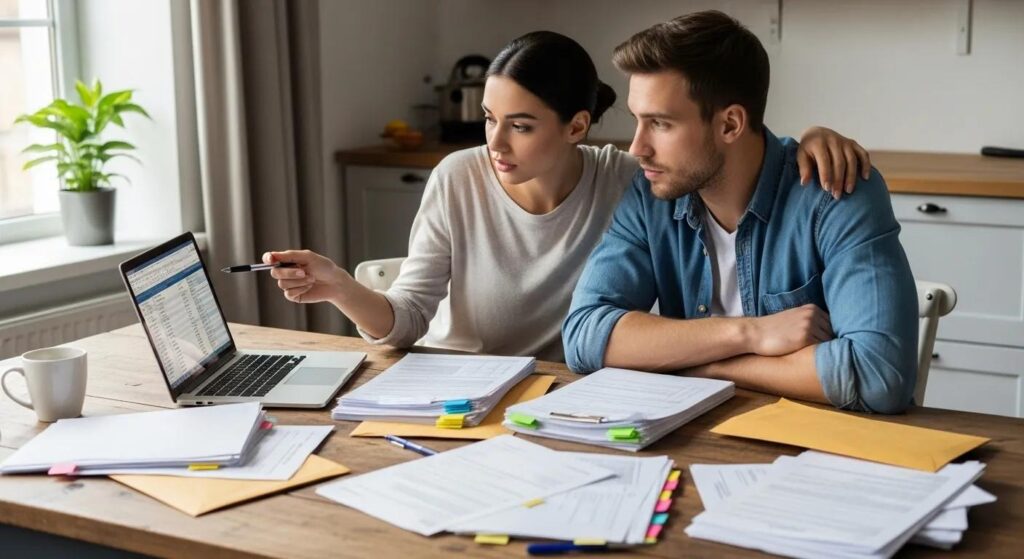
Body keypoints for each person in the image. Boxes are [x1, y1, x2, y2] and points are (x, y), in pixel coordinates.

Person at [265, 30, 870, 363]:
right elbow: (407, 322)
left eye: (521, 125)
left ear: (576, 127)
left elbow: (719, 150)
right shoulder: (458, 176)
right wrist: (341, 288)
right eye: (488, 117)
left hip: (559, 397)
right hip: (452, 386)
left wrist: (810, 139)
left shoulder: (627, 180)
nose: (495, 142)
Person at [562, 11, 918, 413]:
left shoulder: (836, 192)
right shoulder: (651, 196)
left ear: (730, 124)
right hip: (702, 440)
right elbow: (584, 336)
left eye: (660, 123)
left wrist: (704, 365)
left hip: (819, 451)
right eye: (637, 121)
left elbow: (880, 375)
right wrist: (749, 334)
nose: (637, 147)